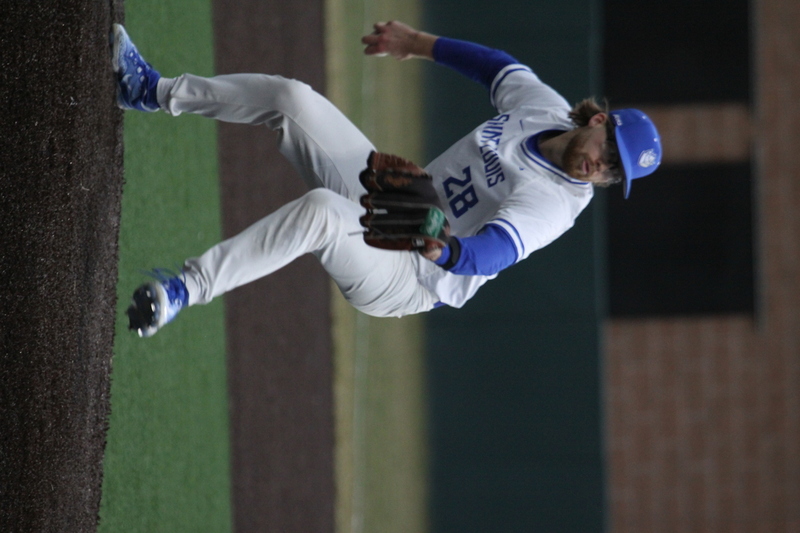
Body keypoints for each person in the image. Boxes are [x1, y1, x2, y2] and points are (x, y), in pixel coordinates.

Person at [112, 21, 662, 338]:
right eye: (609, 150)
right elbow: (497, 66)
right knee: (291, 99)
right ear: (598, 121)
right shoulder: (545, 109)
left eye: (614, 171)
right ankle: (150, 90)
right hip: (387, 203)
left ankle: (185, 288)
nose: (602, 166)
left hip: (409, 277)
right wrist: (415, 42)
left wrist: (442, 250)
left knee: (323, 211)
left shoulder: (556, 204)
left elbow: (493, 254)